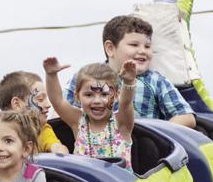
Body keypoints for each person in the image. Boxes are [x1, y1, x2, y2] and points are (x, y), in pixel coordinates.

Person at [50, 14, 195, 128]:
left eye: (147, 46)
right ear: (110, 48)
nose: (142, 51)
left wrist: (158, 133)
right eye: (134, 44)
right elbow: (59, 113)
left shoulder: (156, 81)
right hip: (92, 146)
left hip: (141, 149)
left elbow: (186, 117)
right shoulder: (86, 77)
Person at [43, 59, 136, 162]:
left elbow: (126, 103)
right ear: (77, 96)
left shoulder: (122, 123)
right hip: (84, 178)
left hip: (118, 178)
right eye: (89, 95)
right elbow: (57, 101)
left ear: (116, 95)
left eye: (104, 94)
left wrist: (129, 82)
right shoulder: (78, 120)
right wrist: (51, 75)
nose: (97, 101)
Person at [0, 71, 68, 155]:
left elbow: (56, 147)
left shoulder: (42, 130)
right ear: (17, 104)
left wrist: (61, 152)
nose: (48, 104)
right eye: (40, 99)